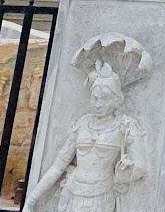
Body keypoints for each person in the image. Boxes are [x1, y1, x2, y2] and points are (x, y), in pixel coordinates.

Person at [29, 62, 147, 212]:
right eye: (95, 98)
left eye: (105, 99)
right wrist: (31, 200)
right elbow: (58, 166)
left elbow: (140, 166)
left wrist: (128, 169)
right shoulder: (82, 123)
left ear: (117, 100)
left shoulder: (125, 125)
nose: (98, 104)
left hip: (101, 195)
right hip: (71, 192)